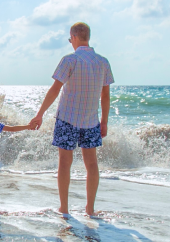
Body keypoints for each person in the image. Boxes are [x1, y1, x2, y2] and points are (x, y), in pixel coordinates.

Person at [28, 22, 114, 217]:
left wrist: (40, 113)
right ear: (88, 37)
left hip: (67, 118)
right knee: (91, 164)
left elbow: (55, 89)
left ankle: (64, 208)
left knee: (65, 163)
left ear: (74, 37)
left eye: (70, 39)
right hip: (91, 120)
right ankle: (90, 209)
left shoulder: (70, 60)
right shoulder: (103, 62)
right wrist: (105, 121)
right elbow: (106, 96)